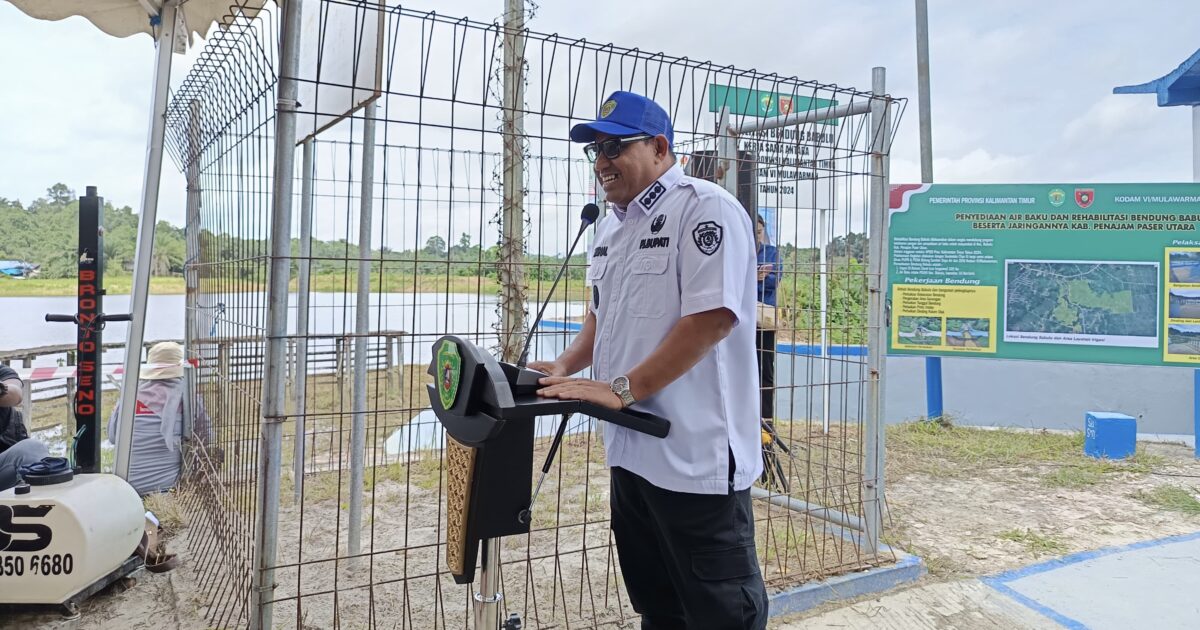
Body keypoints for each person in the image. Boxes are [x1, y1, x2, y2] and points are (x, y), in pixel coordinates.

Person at [531, 90, 768, 629]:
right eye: (594, 150)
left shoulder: (704, 208)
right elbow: (603, 312)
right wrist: (567, 364)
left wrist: (622, 387)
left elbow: (712, 320)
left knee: (720, 614)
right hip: (631, 454)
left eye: (614, 146)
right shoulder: (612, 225)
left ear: (660, 147)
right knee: (659, 609)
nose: (601, 162)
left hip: (694, 457)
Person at [108, 341, 210, 495]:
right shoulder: (189, 399)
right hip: (170, 488)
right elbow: (207, 438)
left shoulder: (128, 398)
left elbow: (113, 436)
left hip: (128, 489)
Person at [0, 363, 51, 491]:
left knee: (32, 449)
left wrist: (2, 389)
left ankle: (33, 507)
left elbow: (15, 394)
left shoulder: (2, 371)